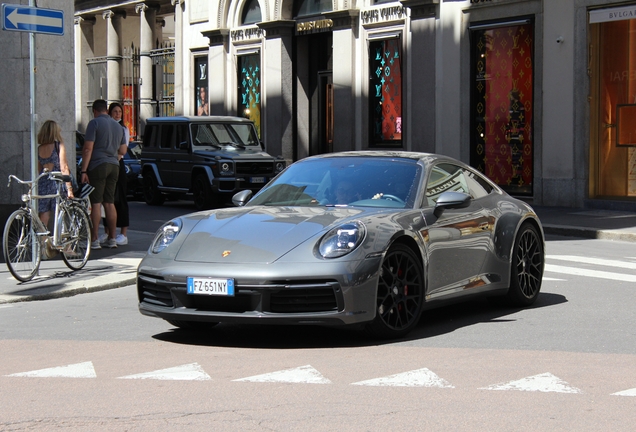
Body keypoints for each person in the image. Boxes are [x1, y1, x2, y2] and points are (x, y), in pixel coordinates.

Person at [80, 99, 127, 250]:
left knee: (96, 203)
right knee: (109, 202)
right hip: (114, 165)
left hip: (98, 165)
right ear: (106, 110)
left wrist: (84, 170)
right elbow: (123, 150)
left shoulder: (94, 123)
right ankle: (112, 238)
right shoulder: (118, 126)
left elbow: (88, 149)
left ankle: (94, 240)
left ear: (94, 111)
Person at [98, 102, 130, 246]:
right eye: (115, 111)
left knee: (120, 197)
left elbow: (123, 150)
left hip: (117, 162)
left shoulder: (123, 129)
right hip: (109, 161)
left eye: (120, 112)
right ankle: (108, 232)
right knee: (107, 199)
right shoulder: (107, 126)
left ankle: (123, 233)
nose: (118, 114)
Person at [37, 120, 74, 227]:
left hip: (43, 184)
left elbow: (39, 171)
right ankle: (65, 243)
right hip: (57, 182)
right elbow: (64, 167)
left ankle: (43, 241)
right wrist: (69, 188)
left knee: (44, 214)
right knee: (61, 213)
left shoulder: (39, 149)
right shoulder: (58, 146)